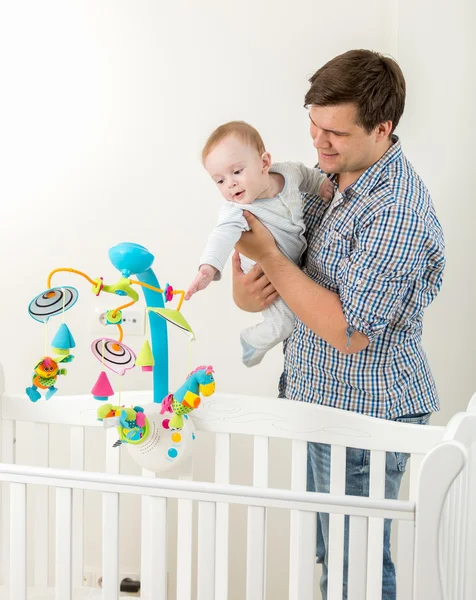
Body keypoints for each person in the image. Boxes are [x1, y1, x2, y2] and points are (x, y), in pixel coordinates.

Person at [232, 49, 446, 599]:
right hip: (321, 401)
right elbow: (299, 281)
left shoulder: (394, 210)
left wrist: (272, 261)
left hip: (367, 414)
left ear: (382, 128)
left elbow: (347, 332)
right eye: (314, 122)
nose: (319, 140)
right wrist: (249, 289)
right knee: (336, 558)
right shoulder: (336, 181)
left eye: (336, 132)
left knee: (358, 571)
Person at [185, 120, 333, 367]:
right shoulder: (237, 211)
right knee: (285, 321)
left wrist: (320, 184)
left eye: (237, 172)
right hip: (265, 274)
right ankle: (252, 341)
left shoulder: (288, 173)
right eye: (219, 181)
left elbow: (306, 175)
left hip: (292, 265)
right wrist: (208, 267)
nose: (230, 184)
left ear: (264, 163)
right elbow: (221, 235)